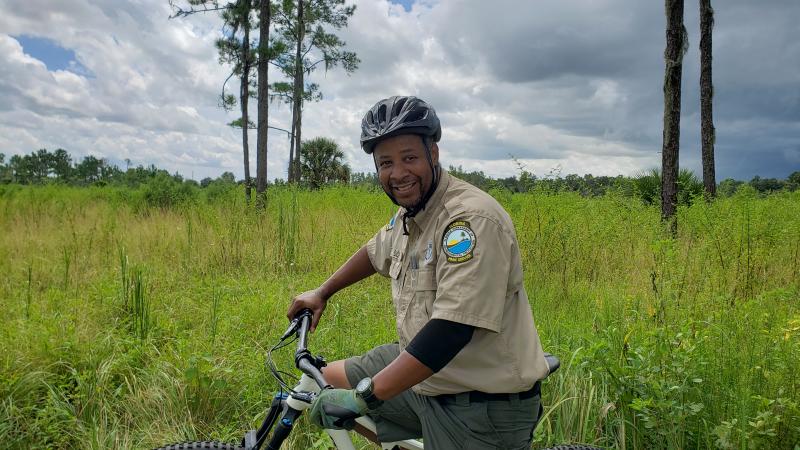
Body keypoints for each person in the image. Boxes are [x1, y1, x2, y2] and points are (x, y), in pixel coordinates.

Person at [286, 95, 551, 449]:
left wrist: (365, 397)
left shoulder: (468, 221)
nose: (397, 173)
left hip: (479, 405)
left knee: (356, 397)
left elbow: (451, 331)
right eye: (386, 163)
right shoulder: (412, 213)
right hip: (430, 379)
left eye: (409, 157)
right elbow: (374, 250)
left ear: (434, 153)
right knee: (327, 380)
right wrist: (322, 292)